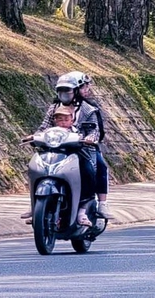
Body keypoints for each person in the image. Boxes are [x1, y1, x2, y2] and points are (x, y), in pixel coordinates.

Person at [51, 71, 109, 223]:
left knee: (94, 169)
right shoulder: (54, 107)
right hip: (58, 149)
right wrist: (35, 136)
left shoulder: (89, 109)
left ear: (76, 90)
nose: (64, 94)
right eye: (61, 91)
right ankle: (37, 202)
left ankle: (91, 206)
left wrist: (90, 138)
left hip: (83, 150)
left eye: (68, 90)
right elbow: (44, 126)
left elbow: (96, 130)